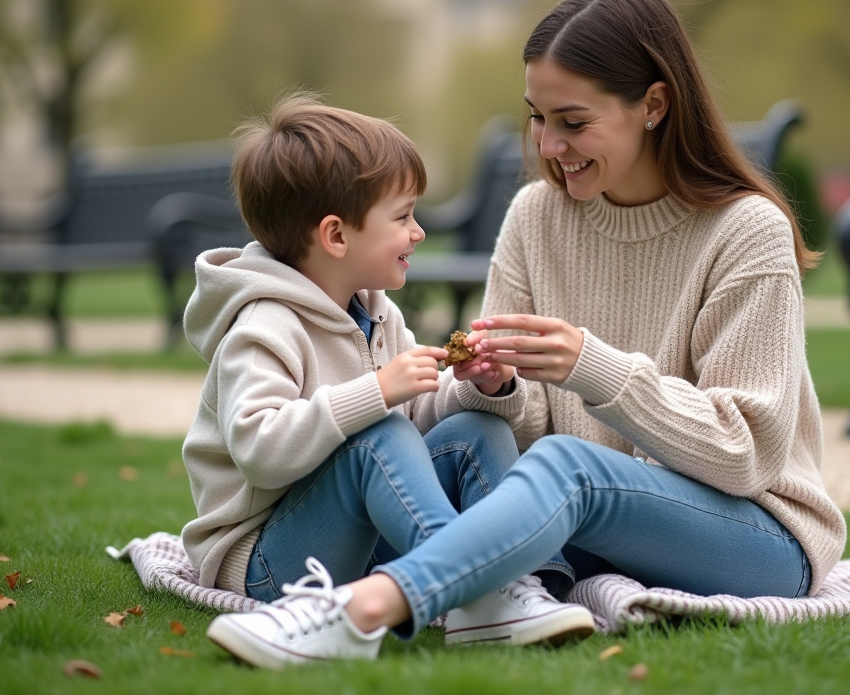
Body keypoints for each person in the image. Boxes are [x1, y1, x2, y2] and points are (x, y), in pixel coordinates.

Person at [207, 0, 847, 667]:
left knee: (568, 468)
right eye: (537, 118)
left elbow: (746, 452)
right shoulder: (534, 218)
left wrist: (590, 367)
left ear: (654, 105)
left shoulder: (745, 232)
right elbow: (504, 444)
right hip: (595, 525)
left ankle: (360, 611)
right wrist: (497, 388)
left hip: (756, 535)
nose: (548, 145)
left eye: (573, 122)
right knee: (521, 454)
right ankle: (494, 602)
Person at [184, 93, 593, 668]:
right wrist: (377, 393)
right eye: (402, 217)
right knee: (380, 437)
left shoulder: (375, 312)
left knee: (476, 429)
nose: (418, 232)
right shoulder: (263, 326)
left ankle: (510, 583)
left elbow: (415, 429)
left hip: (360, 549)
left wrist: (482, 387)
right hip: (272, 566)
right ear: (335, 236)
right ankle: (475, 585)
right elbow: (262, 451)